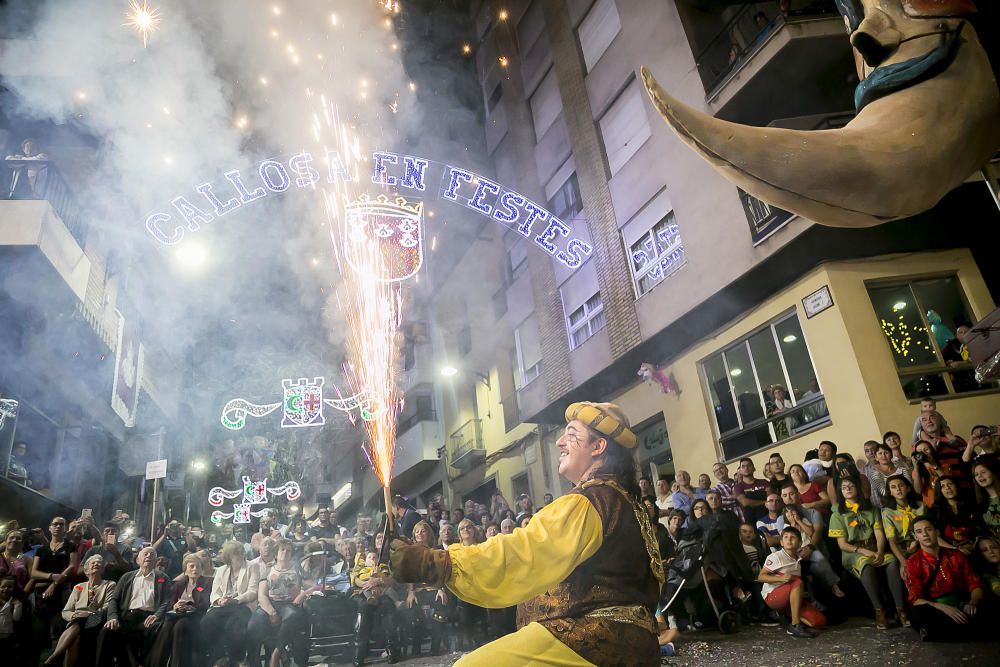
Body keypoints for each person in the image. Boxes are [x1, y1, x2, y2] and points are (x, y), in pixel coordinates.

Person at [389, 401, 663, 666]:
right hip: (626, 644)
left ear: (598, 446)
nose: (559, 442)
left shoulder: (589, 503)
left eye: (572, 435)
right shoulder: (624, 502)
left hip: (592, 640)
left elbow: (523, 552)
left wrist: (439, 563)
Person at [828, 477, 906, 629]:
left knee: (892, 562)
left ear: (858, 488)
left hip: (874, 548)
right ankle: (879, 611)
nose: (848, 489)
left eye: (851, 485)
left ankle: (900, 610)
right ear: (841, 492)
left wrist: (880, 551)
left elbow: (879, 534)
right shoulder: (838, 514)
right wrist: (862, 551)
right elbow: (842, 544)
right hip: (853, 552)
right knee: (866, 565)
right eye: (844, 487)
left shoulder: (871, 509)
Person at [905, 517, 993, 641]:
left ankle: (948, 632)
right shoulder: (913, 562)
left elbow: (974, 582)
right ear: (915, 537)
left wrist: (973, 602)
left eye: (928, 529)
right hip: (936, 607)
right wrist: (943, 608)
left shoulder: (956, 555)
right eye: (919, 532)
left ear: (937, 532)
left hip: (962, 603)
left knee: (990, 604)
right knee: (918, 613)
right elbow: (915, 598)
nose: (924, 534)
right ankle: (975, 630)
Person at [96, 546, 171, 666]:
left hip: (148, 618)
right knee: (107, 630)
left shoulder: (163, 578)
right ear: (138, 560)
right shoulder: (127, 576)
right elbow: (114, 599)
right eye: (145, 554)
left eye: (152, 555)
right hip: (127, 616)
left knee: (158, 629)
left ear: (156, 561)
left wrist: (157, 615)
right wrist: (112, 617)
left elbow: (166, 601)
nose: (149, 556)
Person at [46, 554, 114, 666]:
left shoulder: (109, 585)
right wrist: (74, 615)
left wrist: (89, 613)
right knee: (77, 632)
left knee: (79, 623)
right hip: (77, 621)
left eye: (99, 563)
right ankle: (57, 658)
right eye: (93, 562)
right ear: (86, 570)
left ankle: (55, 656)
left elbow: (108, 606)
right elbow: (66, 611)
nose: (96, 564)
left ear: (103, 569)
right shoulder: (79, 587)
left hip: (97, 620)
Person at [758, 527, 826, 638]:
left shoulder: (798, 559)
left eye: (793, 537)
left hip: (788, 597)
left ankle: (785, 615)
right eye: (786, 537)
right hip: (772, 596)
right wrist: (780, 578)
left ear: (799, 543)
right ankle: (795, 625)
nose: (789, 540)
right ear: (781, 542)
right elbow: (761, 577)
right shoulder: (776, 556)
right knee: (797, 582)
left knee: (819, 621)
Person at [254, 539, 308, 667]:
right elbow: (262, 594)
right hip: (270, 603)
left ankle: (276, 653)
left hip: (289, 603)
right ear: (276, 553)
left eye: (288, 550)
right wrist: (271, 612)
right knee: (254, 624)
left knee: (292, 615)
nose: (285, 552)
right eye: (282, 549)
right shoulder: (267, 570)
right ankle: (277, 653)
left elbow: (305, 586)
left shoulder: (297, 569)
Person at [202, 541, 259, 664]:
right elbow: (215, 592)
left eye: (242, 551)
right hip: (223, 606)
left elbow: (252, 592)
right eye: (237, 553)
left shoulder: (252, 566)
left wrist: (235, 600)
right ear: (229, 555)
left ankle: (236, 659)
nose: (241, 554)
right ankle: (218, 658)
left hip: (243, 605)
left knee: (234, 625)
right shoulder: (221, 570)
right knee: (208, 620)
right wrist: (220, 600)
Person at [31, 516, 79, 649]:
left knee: (57, 631)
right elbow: (33, 572)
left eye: (61, 525)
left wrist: (55, 584)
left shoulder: (70, 546)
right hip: (41, 594)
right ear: (50, 527)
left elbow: (71, 566)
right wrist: (52, 576)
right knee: (39, 631)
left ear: (65, 528)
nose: (58, 526)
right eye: (55, 524)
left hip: (61, 593)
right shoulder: (42, 549)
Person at [351, 548, 400, 666]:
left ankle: (392, 651)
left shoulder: (383, 566)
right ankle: (359, 654)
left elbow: (393, 579)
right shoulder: (360, 567)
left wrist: (378, 579)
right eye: (370, 557)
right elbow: (354, 579)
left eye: (374, 557)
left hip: (383, 591)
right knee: (363, 609)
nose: (372, 559)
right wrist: (364, 582)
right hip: (364, 595)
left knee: (387, 605)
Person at [882, 475, 927, 578]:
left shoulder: (921, 506)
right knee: (908, 573)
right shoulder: (887, 512)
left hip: (922, 544)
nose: (898, 489)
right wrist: (903, 562)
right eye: (893, 487)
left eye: (901, 485)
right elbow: (892, 541)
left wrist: (918, 543)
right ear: (890, 492)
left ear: (908, 488)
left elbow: (928, 530)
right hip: (902, 549)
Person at [932, 476, 979, 554]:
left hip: (973, 546)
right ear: (939, 491)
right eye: (943, 486)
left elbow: (978, 529)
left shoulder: (970, 504)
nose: (947, 488)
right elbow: (936, 537)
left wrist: (973, 545)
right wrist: (954, 549)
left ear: (956, 486)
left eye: (950, 484)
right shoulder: (935, 511)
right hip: (949, 550)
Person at [867, 443, 912, 510]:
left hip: (910, 501)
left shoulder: (902, 469)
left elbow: (909, 486)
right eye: (880, 453)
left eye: (886, 453)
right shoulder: (875, 474)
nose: (883, 456)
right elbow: (883, 493)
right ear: (876, 457)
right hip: (890, 507)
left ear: (891, 455)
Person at [734, 458, 769, 523]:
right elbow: (745, 502)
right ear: (740, 471)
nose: (746, 468)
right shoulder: (737, 487)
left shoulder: (764, 482)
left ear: (754, 468)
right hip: (752, 522)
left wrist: (768, 501)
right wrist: (764, 502)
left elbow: (770, 497)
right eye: (743, 466)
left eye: (748, 465)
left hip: (768, 517)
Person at [973, 457, 1000, 538]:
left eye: (983, 472)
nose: (980, 476)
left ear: (993, 472)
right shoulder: (980, 504)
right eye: (976, 475)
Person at [0, 531, 30, 598]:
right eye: (11, 537)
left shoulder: (28, 559)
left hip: (18, 598)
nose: (14, 540)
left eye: (18, 538)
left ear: (22, 543)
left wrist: (22, 597)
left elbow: (32, 580)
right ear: (5, 541)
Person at [0, 576, 24, 658]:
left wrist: (17, 606)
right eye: (3, 587)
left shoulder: (15, 602)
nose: (6, 589)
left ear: (14, 589)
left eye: (9, 587)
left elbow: (16, 618)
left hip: (7, 637)